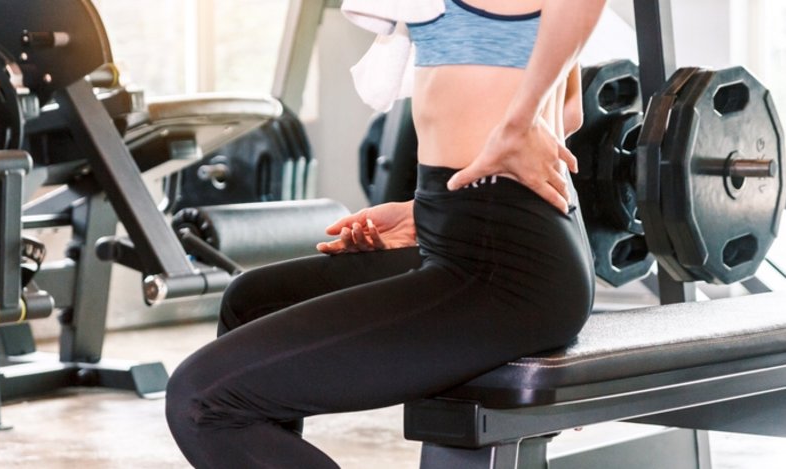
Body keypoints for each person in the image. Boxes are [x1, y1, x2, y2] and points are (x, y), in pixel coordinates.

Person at [166, 0, 606, 467]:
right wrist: (433, 210)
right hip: (486, 232)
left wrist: (521, 121)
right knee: (252, 301)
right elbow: (570, 112)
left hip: (509, 268)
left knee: (202, 402)